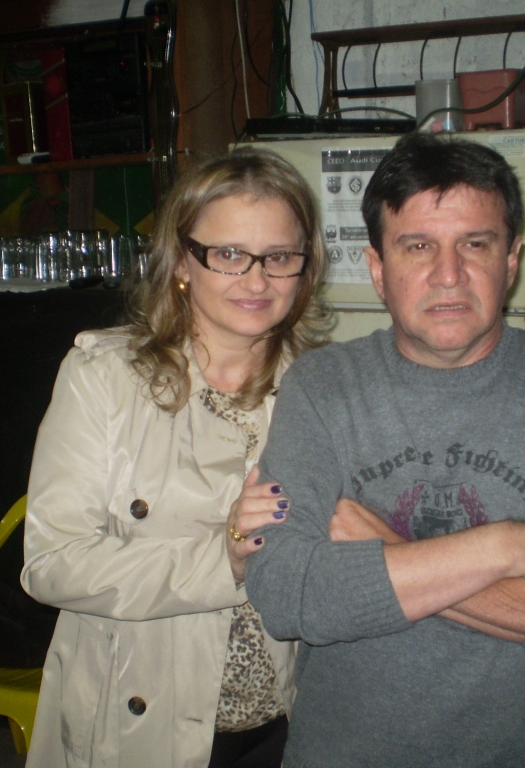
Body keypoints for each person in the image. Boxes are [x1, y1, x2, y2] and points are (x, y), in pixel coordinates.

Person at [246, 132, 525, 767]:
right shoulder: (321, 387)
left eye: (476, 243)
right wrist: (510, 545)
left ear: (512, 260)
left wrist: (388, 550)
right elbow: (285, 592)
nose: (449, 274)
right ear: (378, 269)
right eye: (418, 246)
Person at [20, 149, 330, 768]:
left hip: (289, 718)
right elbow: (50, 564)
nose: (257, 281)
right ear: (182, 261)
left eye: (279, 257)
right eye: (230, 254)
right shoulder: (105, 378)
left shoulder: (324, 387)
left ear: (305, 266)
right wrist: (223, 559)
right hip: (141, 722)